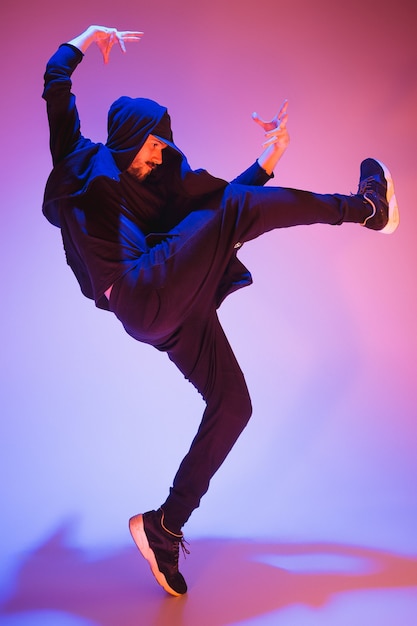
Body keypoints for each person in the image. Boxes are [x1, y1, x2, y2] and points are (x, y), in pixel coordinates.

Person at [42, 25, 399, 597]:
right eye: (153, 141)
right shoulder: (80, 162)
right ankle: (364, 208)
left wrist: (269, 160)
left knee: (234, 404)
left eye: (164, 141)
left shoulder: (154, 192)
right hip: (140, 291)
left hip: (171, 307)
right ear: (127, 137)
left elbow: (210, 222)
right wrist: (86, 37)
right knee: (231, 210)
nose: (161, 151)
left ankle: (164, 526)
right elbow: (55, 81)